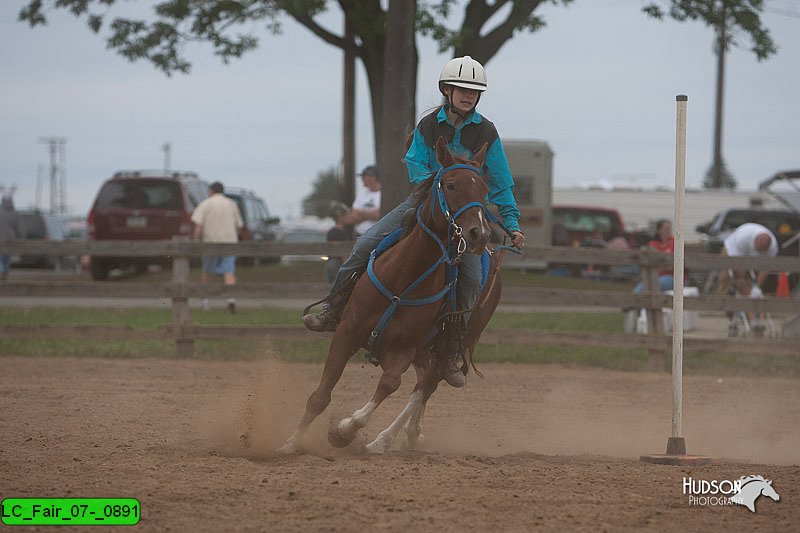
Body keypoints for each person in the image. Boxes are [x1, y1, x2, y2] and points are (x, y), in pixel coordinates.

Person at [303, 55, 525, 388]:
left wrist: (512, 222)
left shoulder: (486, 132)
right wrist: (443, 183)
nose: (468, 96)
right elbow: (416, 164)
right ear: (446, 90)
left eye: (474, 91)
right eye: (462, 89)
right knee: (365, 243)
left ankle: (452, 346)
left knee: (471, 276)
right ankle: (334, 308)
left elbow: (501, 181)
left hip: (466, 212)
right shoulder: (429, 126)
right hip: (425, 202)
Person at [191, 182, 244, 313]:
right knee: (229, 271)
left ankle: (205, 301)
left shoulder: (205, 204)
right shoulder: (231, 204)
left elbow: (198, 225)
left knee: (207, 271)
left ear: (211, 191)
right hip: (229, 243)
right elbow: (239, 226)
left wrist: (196, 240)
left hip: (210, 243)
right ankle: (231, 299)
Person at [719, 222, 778, 297]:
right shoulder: (743, 238)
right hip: (731, 250)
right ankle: (725, 302)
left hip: (752, 256)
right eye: (759, 250)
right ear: (755, 242)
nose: (760, 252)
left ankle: (748, 304)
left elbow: (766, 268)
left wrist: (756, 286)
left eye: (762, 251)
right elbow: (738, 265)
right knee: (727, 277)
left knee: (751, 282)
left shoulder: (773, 246)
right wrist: (743, 283)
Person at [338, 166, 382, 236]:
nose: (362, 179)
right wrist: (370, 214)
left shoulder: (383, 194)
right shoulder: (362, 194)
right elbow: (354, 214)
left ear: (373, 177)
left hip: (377, 237)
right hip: (359, 236)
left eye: (364, 176)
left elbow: (379, 214)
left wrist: (361, 212)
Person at [633, 219, 674, 293]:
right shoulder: (652, 244)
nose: (668, 231)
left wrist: (662, 266)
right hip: (653, 275)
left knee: (651, 286)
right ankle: (633, 302)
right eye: (666, 228)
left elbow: (674, 264)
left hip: (671, 276)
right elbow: (648, 261)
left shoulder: (675, 242)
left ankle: (636, 303)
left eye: (669, 228)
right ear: (659, 230)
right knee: (638, 290)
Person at [0, 193, 23, 281]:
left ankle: (2, 274)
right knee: (6, 259)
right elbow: (20, 227)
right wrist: (21, 237)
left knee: (1, 258)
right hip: (10, 240)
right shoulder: (14, 213)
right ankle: (4, 275)